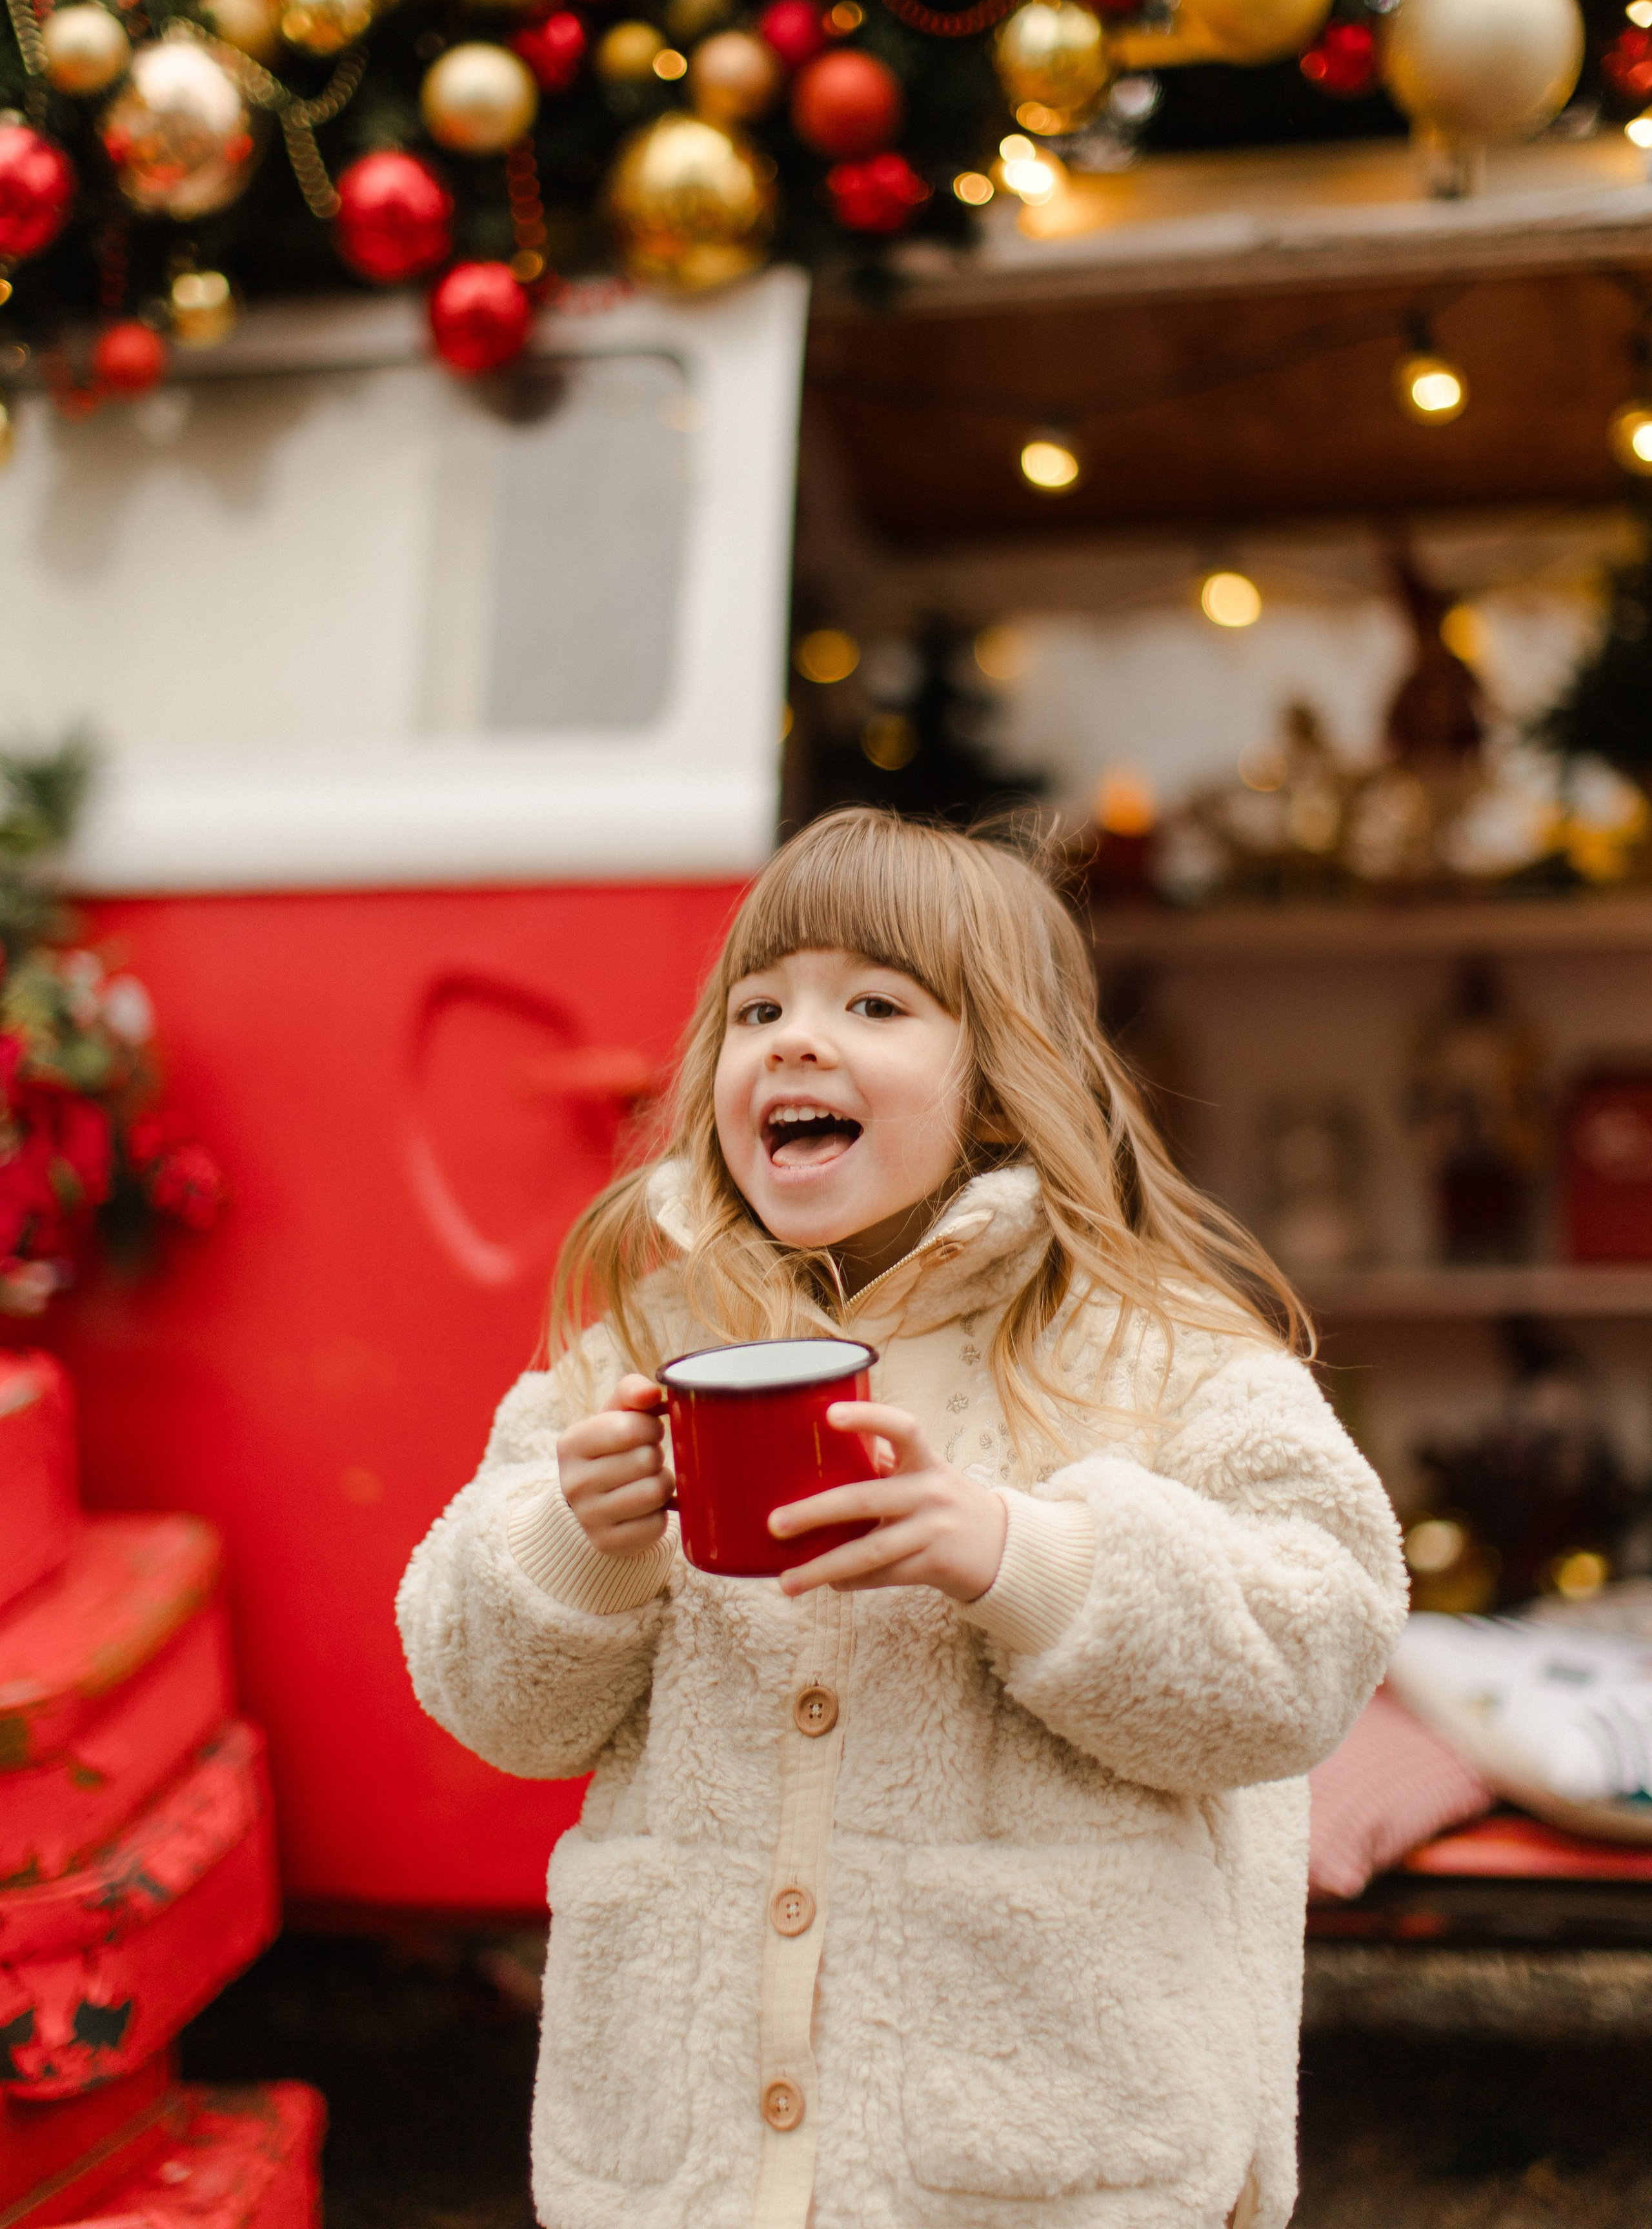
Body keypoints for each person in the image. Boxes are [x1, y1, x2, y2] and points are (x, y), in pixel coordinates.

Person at [398, 808, 1407, 2229]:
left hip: (1031, 2160)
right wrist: (576, 1546)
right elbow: (482, 1697)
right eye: (759, 1007)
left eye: (871, 1003)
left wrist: (1023, 1558)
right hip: (692, 2171)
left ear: (999, 1083)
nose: (794, 1040)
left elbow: (1315, 1643)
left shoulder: (1149, 1352)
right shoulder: (630, 1349)